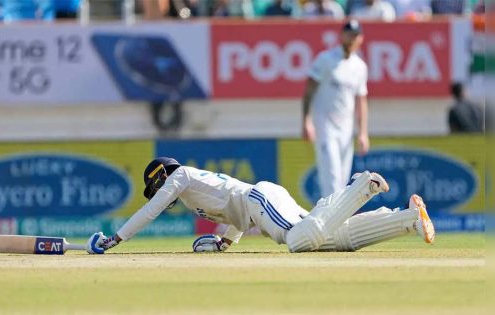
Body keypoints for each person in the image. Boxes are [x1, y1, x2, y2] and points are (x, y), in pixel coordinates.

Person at [86, 157, 435, 254]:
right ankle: (407, 220)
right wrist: (227, 240)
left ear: (161, 177)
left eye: (155, 187)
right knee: (337, 240)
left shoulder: (181, 177)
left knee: (299, 241)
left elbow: (151, 210)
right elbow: (234, 208)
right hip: (258, 202)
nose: (159, 193)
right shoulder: (192, 191)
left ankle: (363, 185)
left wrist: (116, 239)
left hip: (260, 199)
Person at [302, 20, 369, 198]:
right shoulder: (326, 59)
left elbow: (361, 101)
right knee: (330, 177)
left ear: (361, 39)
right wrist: (306, 121)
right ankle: (329, 222)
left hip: (346, 130)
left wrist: (362, 133)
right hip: (325, 127)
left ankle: (335, 223)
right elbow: (309, 90)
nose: (352, 38)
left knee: (341, 181)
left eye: (355, 35)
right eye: (349, 34)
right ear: (341, 36)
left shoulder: (360, 67)